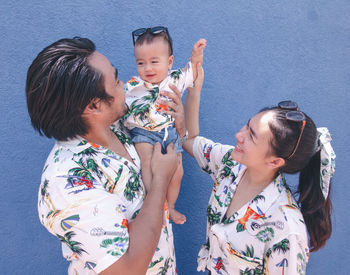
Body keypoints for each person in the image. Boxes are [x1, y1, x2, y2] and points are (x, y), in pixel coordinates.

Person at [26, 37, 184, 275]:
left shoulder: (120, 124)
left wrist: (179, 118)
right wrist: (161, 180)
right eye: (117, 79)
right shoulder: (68, 183)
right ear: (95, 106)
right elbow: (127, 269)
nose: (126, 84)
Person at [160, 65, 335, 274]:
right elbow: (191, 141)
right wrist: (194, 88)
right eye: (246, 126)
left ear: (275, 162)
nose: (239, 135)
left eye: (251, 135)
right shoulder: (231, 164)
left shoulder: (286, 228)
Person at [122, 26, 206, 224]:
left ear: (169, 62)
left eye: (154, 62)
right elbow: (119, 105)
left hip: (171, 134)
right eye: (141, 63)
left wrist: (195, 56)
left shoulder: (174, 80)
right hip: (143, 133)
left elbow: (192, 74)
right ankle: (153, 204)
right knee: (146, 160)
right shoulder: (133, 86)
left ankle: (171, 206)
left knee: (178, 171)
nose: (147, 69)